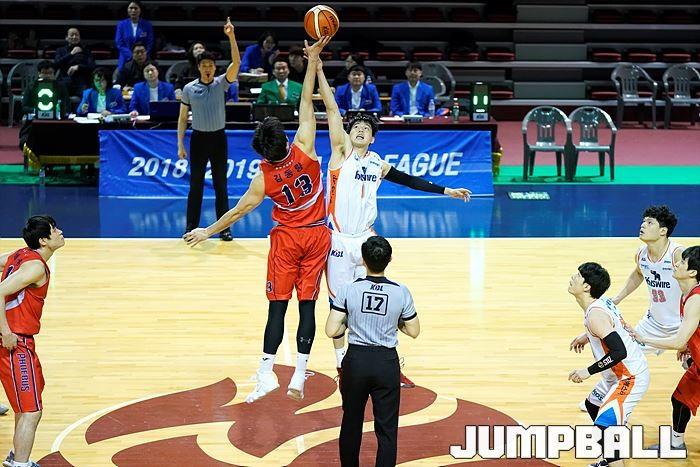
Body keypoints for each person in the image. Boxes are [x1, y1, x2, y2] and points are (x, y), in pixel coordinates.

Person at [183, 37, 332, 403]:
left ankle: (266, 373)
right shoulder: (305, 146)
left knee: (277, 307)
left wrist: (207, 231)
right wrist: (312, 62)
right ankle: (299, 374)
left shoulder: (263, 178)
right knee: (308, 306)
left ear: (262, 151)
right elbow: (305, 102)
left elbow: (237, 212)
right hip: (317, 237)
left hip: (287, 241)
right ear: (284, 138)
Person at [315, 56, 470, 387]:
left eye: (366, 128)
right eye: (356, 127)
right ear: (348, 133)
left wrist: (446, 191)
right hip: (338, 242)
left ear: (372, 138)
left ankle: (385, 361)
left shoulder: (378, 163)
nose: (360, 129)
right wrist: (317, 67)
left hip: (366, 240)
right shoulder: (340, 154)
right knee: (338, 308)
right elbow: (331, 109)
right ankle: (342, 365)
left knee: (373, 304)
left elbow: (410, 180)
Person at [573, 205, 683, 410]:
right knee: (618, 357)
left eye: (649, 222)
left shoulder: (677, 255)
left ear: (663, 230)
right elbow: (638, 274)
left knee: (693, 368)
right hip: (653, 324)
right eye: (643, 221)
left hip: (683, 325)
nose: (643, 225)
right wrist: (618, 298)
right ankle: (600, 397)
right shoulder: (641, 254)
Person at [325, 235, 420, 467]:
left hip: (356, 362)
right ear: (390, 259)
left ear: (363, 260)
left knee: (351, 423)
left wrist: (351, 322)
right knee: (387, 429)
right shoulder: (401, 291)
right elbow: (414, 330)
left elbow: (331, 330)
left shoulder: (348, 289)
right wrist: (394, 323)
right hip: (386, 363)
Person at [568, 262, 649, 467]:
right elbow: (609, 325)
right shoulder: (600, 303)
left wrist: (587, 371)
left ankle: (613, 457)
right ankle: (616, 441)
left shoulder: (595, 315)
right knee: (592, 405)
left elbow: (619, 352)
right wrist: (587, 336)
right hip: (617, 374)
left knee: (604, 428)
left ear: (587, 287)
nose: (573, 277)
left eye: (578, 276)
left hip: (630, 377)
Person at [1, 216, 65, 467]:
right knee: (31, 410)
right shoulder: (35, 267)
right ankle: (20, 464)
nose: (60, 232)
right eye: (54, 230)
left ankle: (16, 456)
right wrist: (5, 331)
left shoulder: (21, 255)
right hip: (15, 343)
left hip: (20, 341)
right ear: (44, 240)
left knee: (27, 403)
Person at [632, 246, 700, 452]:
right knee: (680, 399)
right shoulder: (685, 294)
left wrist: (644, 339)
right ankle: (676, 444)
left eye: (682, 262)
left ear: (692, 272)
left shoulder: (696, 299)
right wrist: (689, 347)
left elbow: (678, 341)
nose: (676, 263)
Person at [177, 19, 240, 241]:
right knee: (195, 186)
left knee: (221, 185)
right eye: (204, 65)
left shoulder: (222, 83)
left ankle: (224, 228)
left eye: (211, 65)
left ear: (214, 68)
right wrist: (180, 144)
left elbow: (236, 62)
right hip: (198, 139)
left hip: (218, 139)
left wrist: (231, 36)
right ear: (199, 67)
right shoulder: (189, 89)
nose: (207, 68)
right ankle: (190, 227)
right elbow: (182, 118)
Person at [53, 27, 95, 97]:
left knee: (87, 95)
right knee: (60, 94)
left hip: (81, 82)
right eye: (72, 35)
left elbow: (92, 66)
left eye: (76, 35)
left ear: (79, 37)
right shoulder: (60, 50)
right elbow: (56, 64)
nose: (74, 37)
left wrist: (78, 67)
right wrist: (71, 54)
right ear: (66, 38)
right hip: (65, 80)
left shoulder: (86, 51)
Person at [115, 0, 154, 71]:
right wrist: (132, 55)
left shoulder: (147, 25)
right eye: (131, 8)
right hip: (125, 60)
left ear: (140, 10)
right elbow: (119, 43)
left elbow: (149, 43)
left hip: (142, 61)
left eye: (136, 8)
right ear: (127, 10)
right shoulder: (121, 25)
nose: (133, 10)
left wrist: (141, 56)